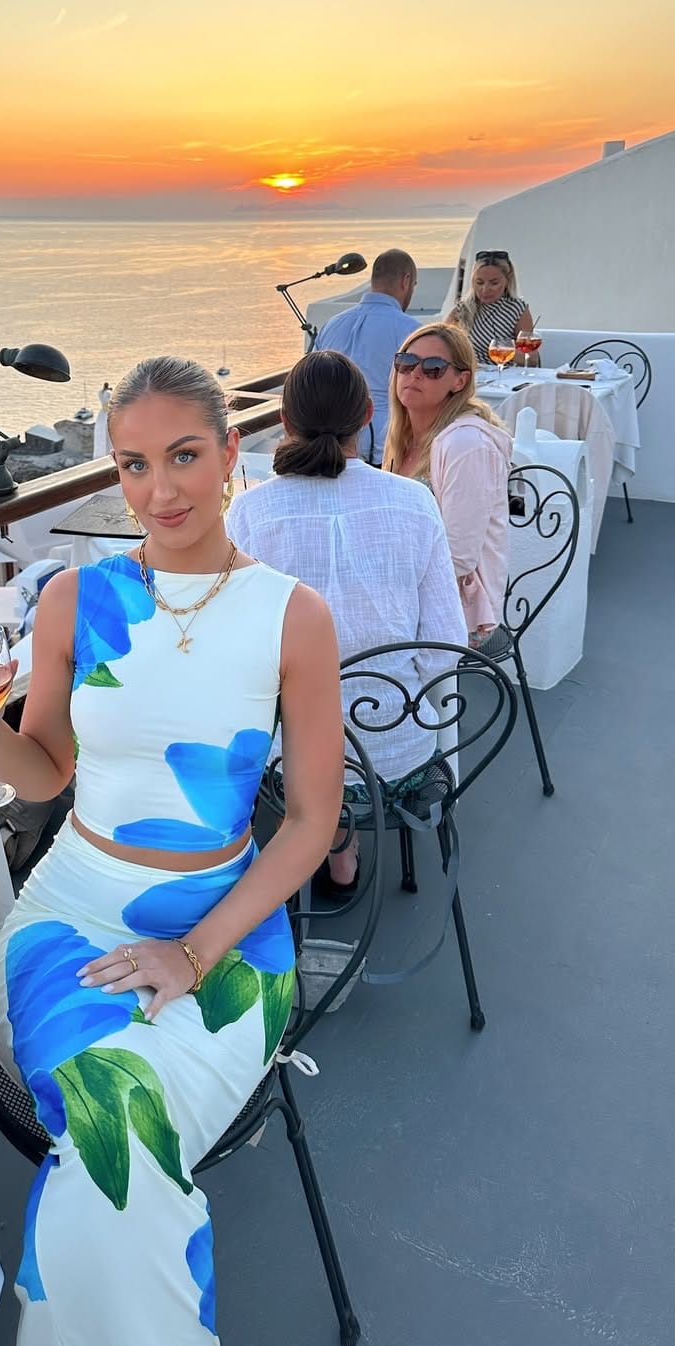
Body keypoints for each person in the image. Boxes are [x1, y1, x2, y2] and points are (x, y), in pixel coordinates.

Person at [0, 356, 343, 1345]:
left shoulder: (294, 616)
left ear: (231, 453)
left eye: (184, 456)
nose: (160, 490)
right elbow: (46, 772)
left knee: (118, 1150)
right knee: (113, 1128)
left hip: (229, 933)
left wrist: (194, 953)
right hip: (70, 911)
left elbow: (310, 823)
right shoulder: (75, 599)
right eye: (133, 464)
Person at [227, 349, 465, 888]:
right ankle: (339, 844)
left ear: (285, 421)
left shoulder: (250, 511)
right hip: (399, 757)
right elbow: (444, 646)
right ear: (367, 416)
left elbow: (239, 650)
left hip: (292, 765)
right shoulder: (414, 502)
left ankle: (326, 839)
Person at [383, 323, 513, 644]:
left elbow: (458, 557)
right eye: (406, 363)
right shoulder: (403, 437)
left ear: (460, 381)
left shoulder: (466, 444)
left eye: (432, 368)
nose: (414, 374)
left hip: (457, 615)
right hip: (406, 591)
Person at [312, 248, 418, 465]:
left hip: (329, 447)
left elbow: (311, 382)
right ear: (406, 280)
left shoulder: (332, 324)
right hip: (385, 448)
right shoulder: (412, 332)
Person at [448, 249, 535, 365]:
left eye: (494, 283)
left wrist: (505, 351)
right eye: (479, 282)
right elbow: (441, 342)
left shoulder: (517, 309)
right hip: (471, 372)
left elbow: (531, 359)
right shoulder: (463, 309)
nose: (485, 289)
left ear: (507, 281)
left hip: (504, 373)